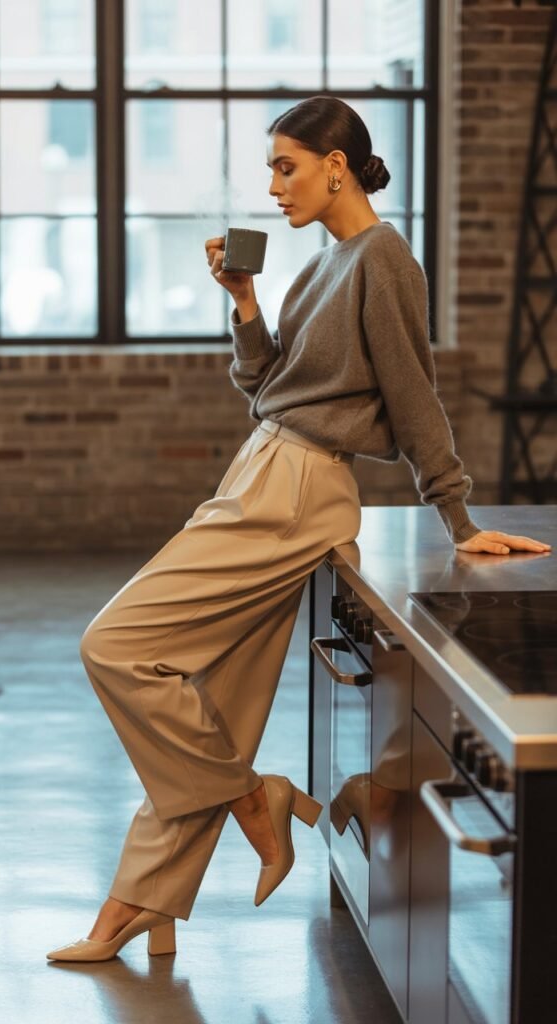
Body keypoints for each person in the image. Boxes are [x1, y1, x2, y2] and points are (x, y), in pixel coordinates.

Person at [46, 96, 551, 963]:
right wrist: (245, 301)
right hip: (269, 466)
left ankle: (255, 799)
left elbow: (414, 394)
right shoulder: (326, 263)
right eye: (272, 171)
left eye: (287, 167)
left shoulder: (384, 259)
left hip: (296, 486)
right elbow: (265, 384)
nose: (275, 187)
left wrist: (457, 513)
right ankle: (140, 904)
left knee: (116, 646)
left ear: (336, 166)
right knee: (216, 706)